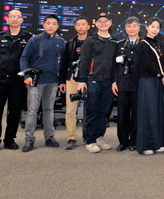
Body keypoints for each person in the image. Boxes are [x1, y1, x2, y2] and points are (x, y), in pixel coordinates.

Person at [0, 10, 33, 153]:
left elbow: (31, 59)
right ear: (7, 20)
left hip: (18, 81)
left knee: (14, 112)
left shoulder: (28, 38)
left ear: (22, 20)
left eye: (18, 17)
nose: (15, 19)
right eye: (12, 16)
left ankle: (9, 139)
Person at [19, 14, 66, 152]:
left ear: (57, 26)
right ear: (44, 25)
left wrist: (61, 79)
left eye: (54, 24)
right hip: (36, 82)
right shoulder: (34, 40)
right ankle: (29, 139)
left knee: (49, 110)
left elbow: (63, 63)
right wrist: (26, 75)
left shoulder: (61, 42)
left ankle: (49, 137)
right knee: (32, 111)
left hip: (52, 82)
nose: (51, 26)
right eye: (48, 23)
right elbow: (24, 58)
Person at [77, 13, 118, 153]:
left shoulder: (115, 41)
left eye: (105, 21)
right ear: (96, 24)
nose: (103, 23)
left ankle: (100, 137)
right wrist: (82, 80)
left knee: (104, 112)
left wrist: (115, 81)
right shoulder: (90, 40)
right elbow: (84, 61)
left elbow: (115, 64)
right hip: (92, 81)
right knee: (92, 111)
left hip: (108, 83)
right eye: (100, 21)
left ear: (110, 23)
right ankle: (90, 140)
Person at [135, 18, 164, 155]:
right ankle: (146, 145)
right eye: (152, 26)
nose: (155, 29)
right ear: (147, 27)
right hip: (147, 81)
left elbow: (162, 62)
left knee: (157, 112)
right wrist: (161, 77)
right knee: (148, 112)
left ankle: (158, 143)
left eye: (157, 27)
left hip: (157, 82)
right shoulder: (143, 44)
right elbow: (147, 64)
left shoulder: (159, 43)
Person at [59, 16, 90, 150]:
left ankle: (88, 136)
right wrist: (62, 81)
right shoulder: (70, 43)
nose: (81, 27)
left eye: (83, 24)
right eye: (78, 25)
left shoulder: (93, 41)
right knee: (71, 110)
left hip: (89, 79)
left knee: (89, 110)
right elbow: (64, 62)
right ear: (75, 27)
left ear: (88, 26)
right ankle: (71, 137)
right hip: (72, 78)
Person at [112, 17, 141, 151]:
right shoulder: (119, 44)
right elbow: (114, 66)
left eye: (134, 26)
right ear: (125, 28)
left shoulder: (143, 44)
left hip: (138, 85)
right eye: (129, 26)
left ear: (139, 28)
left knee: (136, 114)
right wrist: (114, 82)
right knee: (122, 114)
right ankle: (123, 141)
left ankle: (134, 141)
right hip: (122, 84)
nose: (132, 29)